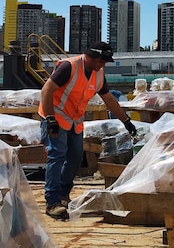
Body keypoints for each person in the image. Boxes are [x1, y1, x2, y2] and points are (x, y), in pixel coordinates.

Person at [38, 42, 137, 220]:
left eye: (104, 62)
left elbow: (109, 99)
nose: (102, 65)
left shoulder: (99, 75)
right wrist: (50, 118)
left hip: (74, 120)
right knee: (57, 155)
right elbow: (46, 90)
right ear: (89, 56)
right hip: (56, 116)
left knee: (75, 158)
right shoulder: (69, 67)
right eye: (99, 61)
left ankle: (63, 195)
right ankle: (52, 202)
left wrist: (126, 120)